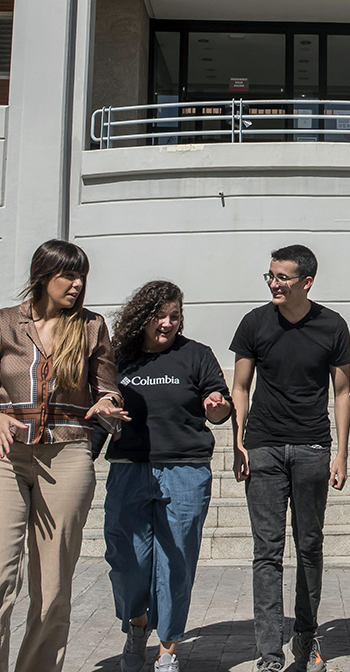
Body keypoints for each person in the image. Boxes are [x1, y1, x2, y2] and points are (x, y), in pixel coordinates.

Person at [0, 239, 127, 672]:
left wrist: (106, 406)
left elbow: (108, 389)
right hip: (5, 455)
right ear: (43, 276)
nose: (77, 284)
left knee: (52, 592)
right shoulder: (3, 325)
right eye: (68, 275)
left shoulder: (91, 327)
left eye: (82, 276)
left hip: (68, 457)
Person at [230, 244, 350, 672]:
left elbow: (341, 393)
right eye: (270, 276)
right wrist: (238, 441)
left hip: (311, 449)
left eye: (282, 277)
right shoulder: (255, 322)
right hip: (263, 448)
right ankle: (269, 655)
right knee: (267, 551)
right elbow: (241, 387)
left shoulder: (332, 325)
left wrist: (341, 452)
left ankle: (305, 636)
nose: (273, 284)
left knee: (310, 546)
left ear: (307, 281)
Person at [99, 281, 233, 672]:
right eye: (160, 316)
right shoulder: (119, 360)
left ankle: (169, 649)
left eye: (175, 316)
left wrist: (216, 406)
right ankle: (137, 625)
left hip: (185, 469)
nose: (168, 323)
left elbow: (219, 410)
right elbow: (98, 403)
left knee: (176, 563)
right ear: (142, 317)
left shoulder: (196, 355)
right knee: (127, 561)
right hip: (129, 468)